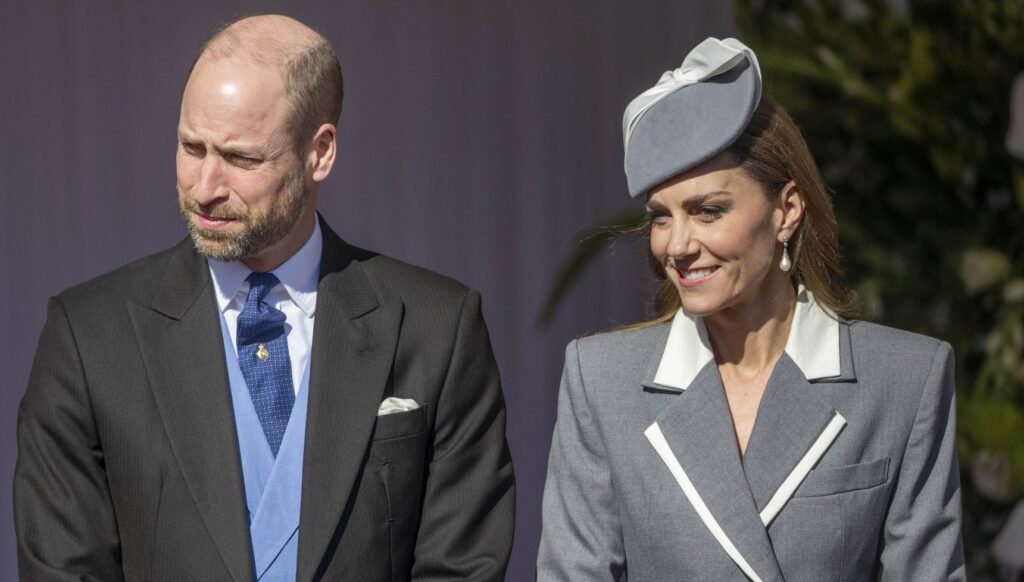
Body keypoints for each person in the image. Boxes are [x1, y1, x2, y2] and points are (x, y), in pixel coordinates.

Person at [14, 14, 514, 581]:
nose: (205, 187)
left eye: (242, 158)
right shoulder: (89, 337)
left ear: (319, 152)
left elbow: (462, 566)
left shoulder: (436, 326)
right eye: (190, 147)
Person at [537, 37, 964, 581]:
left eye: (708, 211)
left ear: (785, 210)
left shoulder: (905, 376)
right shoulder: (601, 380)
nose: (677, 244)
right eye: (661, 217)